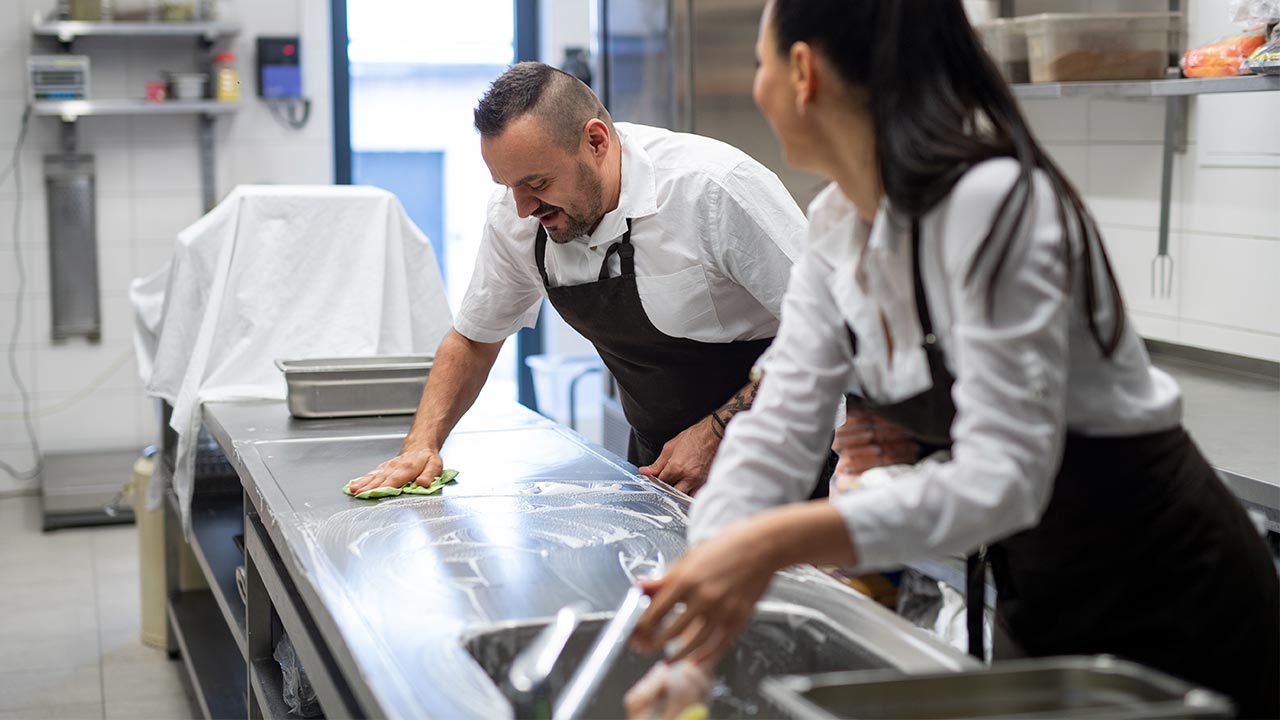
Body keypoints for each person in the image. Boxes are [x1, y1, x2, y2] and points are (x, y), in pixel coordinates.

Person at [630, 2, 1279, 717]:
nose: (757, 84)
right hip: (1042, 591)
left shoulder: (994, 203)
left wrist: (771, 542)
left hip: (1173, 587)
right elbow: (774, 434)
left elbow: (1004, 478)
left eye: (760, 64)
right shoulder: (838, 228)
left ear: (804, 72)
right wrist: (694, 648)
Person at [347, 62, 811, 498]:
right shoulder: (518, 215)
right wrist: (421, 445)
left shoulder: (713, 189)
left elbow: (832, 330)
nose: (525, 207)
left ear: (596, 141)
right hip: (662, 464)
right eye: (508, 186)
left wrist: (715, 433)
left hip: (783, 454)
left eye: (539, 183)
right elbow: (475, 340)